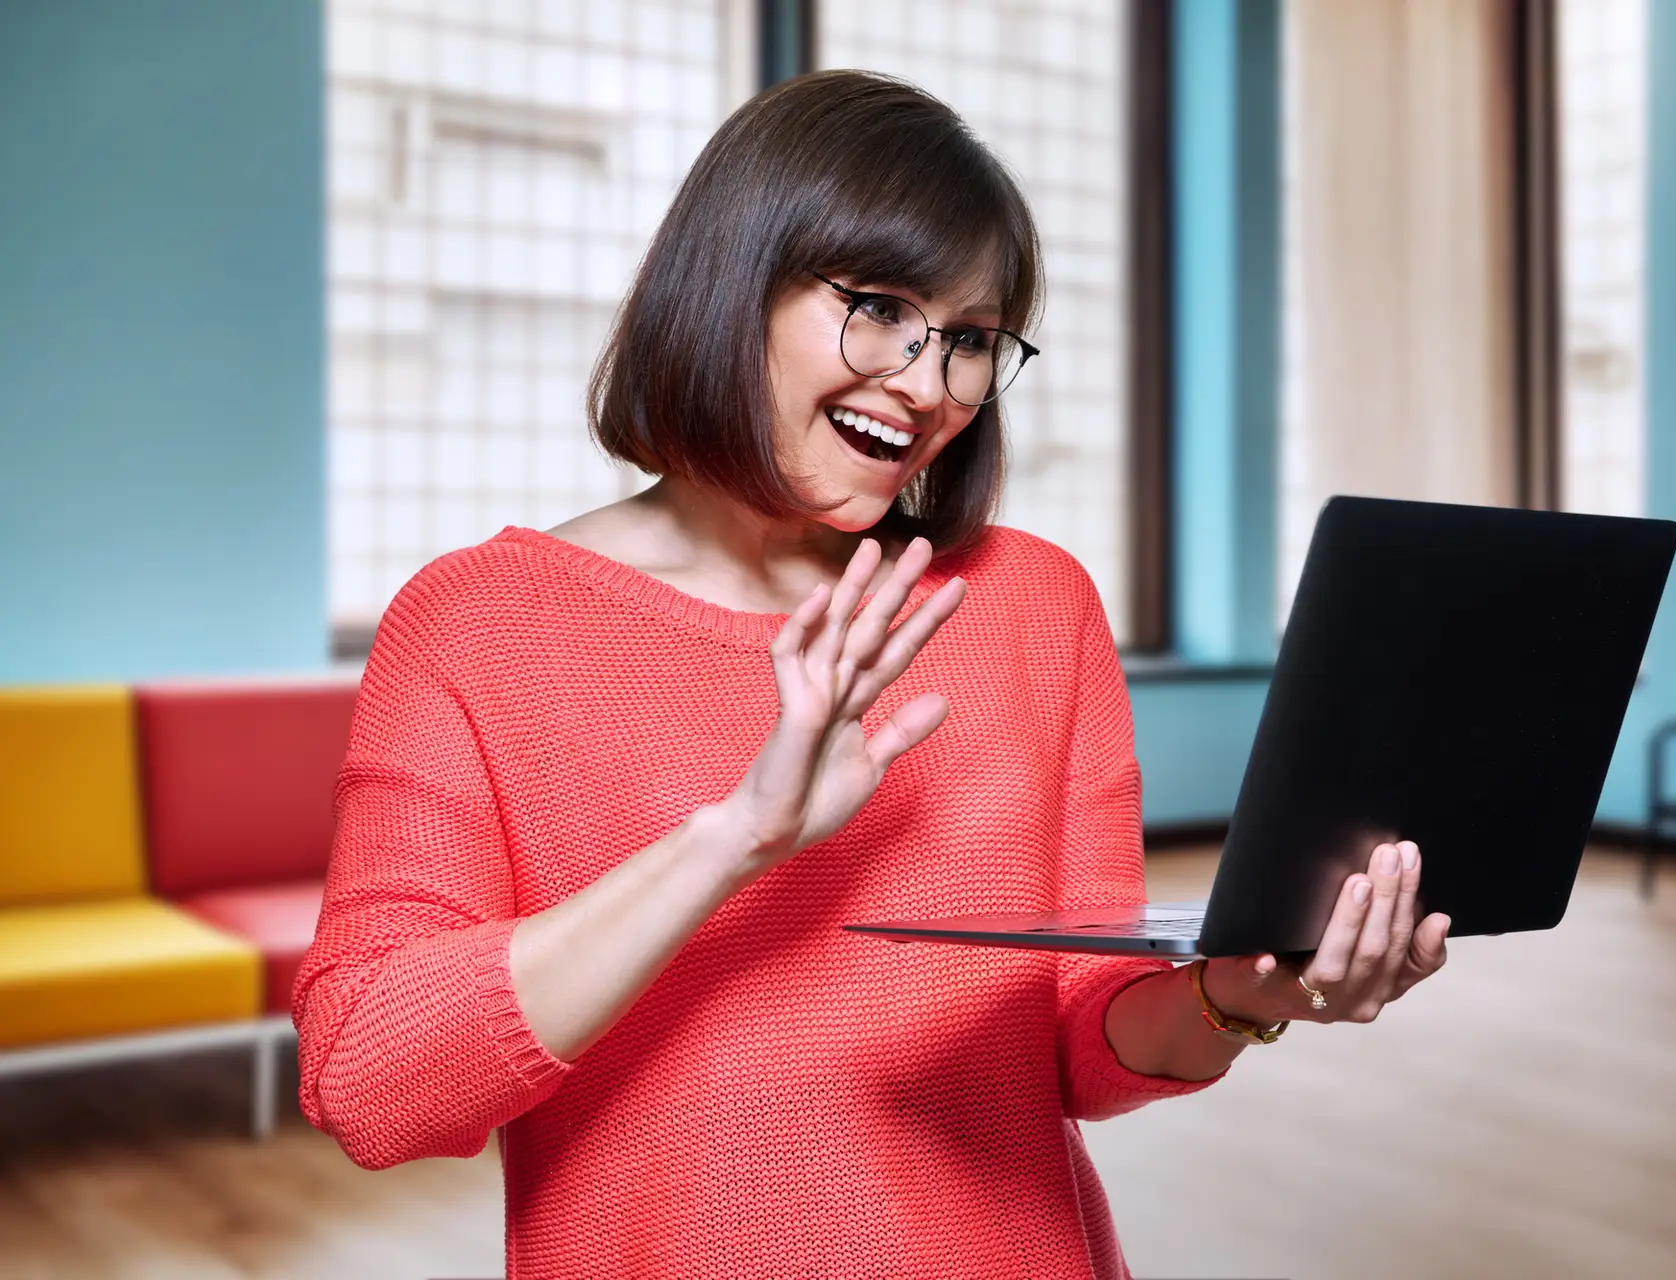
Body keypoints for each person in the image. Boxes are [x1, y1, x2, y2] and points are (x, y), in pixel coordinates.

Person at [293, 69, 1451, 1280]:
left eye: (967, 340)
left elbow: (1079, 1041)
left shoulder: (1031, 604)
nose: (925, 380)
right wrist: (734, 837)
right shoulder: (476, 625)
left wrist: (1240, 990)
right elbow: (369, 1081)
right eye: (883, 308)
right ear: (733, 278)